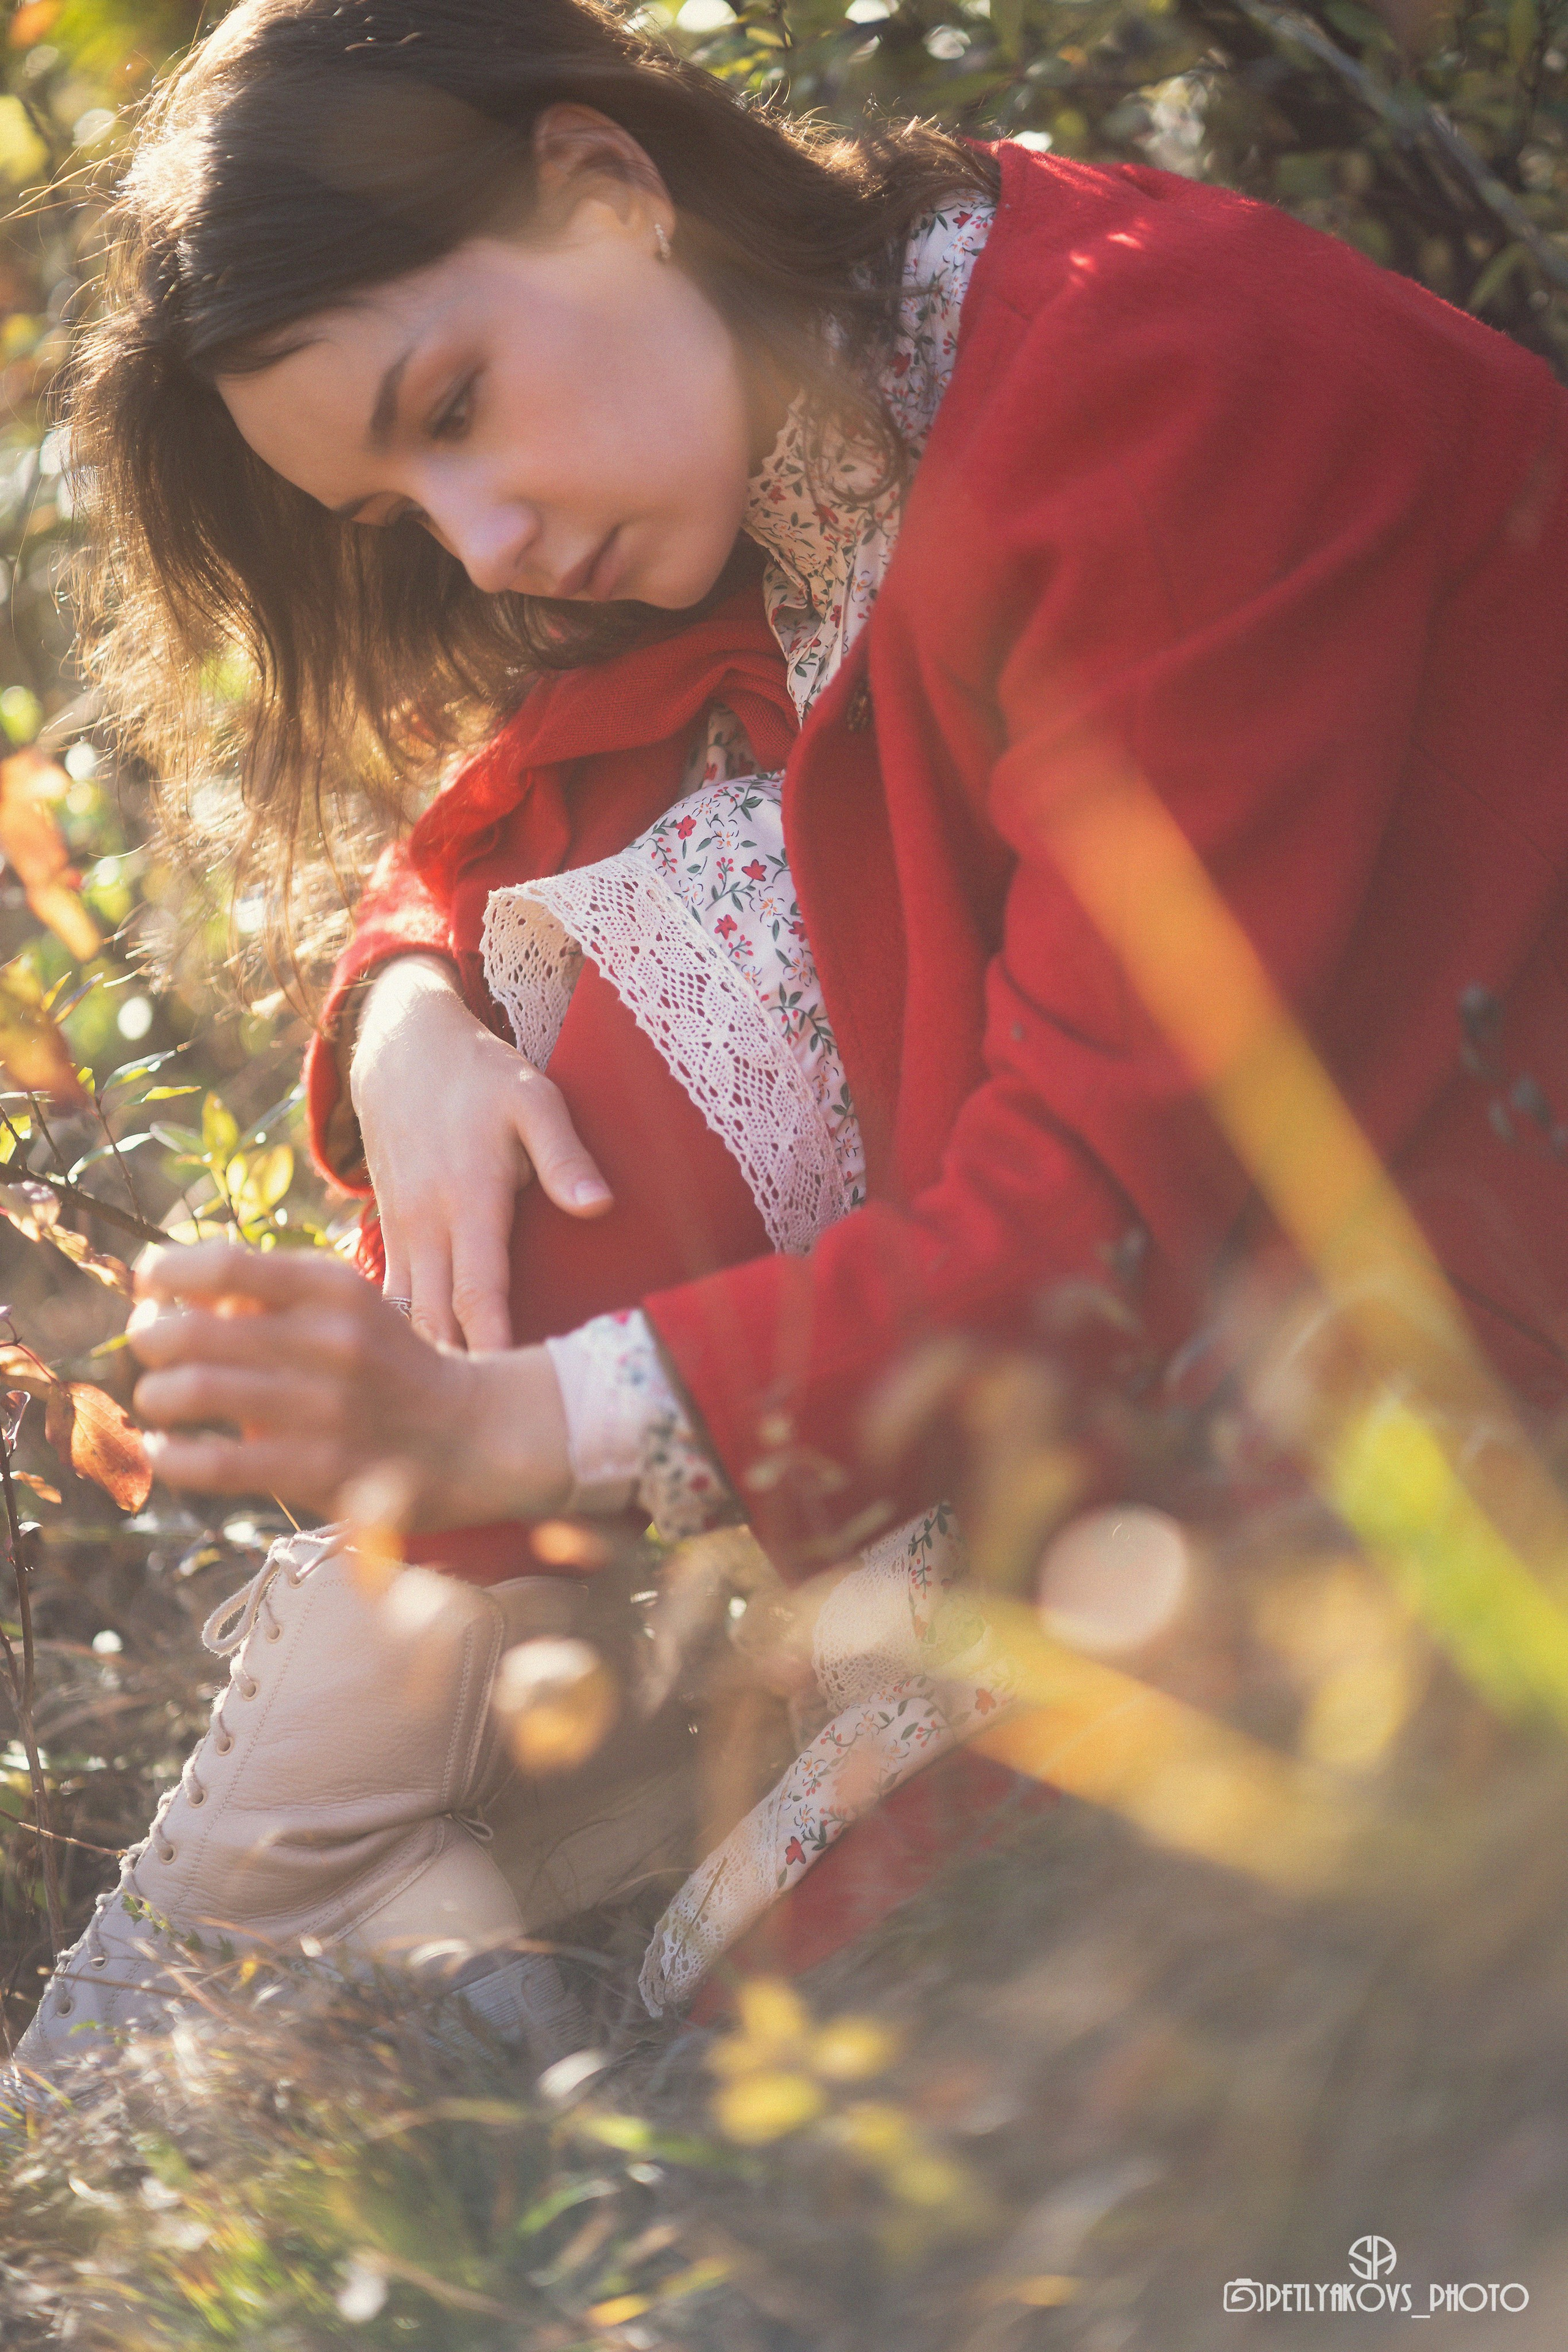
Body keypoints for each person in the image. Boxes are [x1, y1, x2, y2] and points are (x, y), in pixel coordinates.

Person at [16, 0, 1568, 2081]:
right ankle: (275, 1923)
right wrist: (407, 1009)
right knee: (579, 995)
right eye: (406, 512)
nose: (485, 541)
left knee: (838, 1970)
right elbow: (537, 784)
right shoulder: (829, 398)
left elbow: (1095, 1218)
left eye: (455, 405)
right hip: (1196, 1264)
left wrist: (498, 1430)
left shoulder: (1156, 389)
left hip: (1448, 1296)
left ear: (605, 183)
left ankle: (275, 1943)